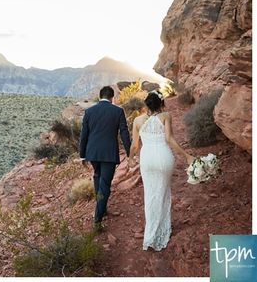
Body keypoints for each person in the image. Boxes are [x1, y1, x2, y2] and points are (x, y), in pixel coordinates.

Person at [128, 90, 195, 251]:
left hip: (147, 160)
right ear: (161, 103)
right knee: (163, 193)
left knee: (150, 194)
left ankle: (151, 233)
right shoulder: (166, 117)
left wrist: (130, 159)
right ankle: (161, 230)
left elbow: (135, 145)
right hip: (164, 158)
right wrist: (187, 156)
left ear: (146, 105)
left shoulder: (137, 120)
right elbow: (169, 139)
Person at [79, 86, 131, 232]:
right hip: (108, 154)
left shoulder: (89, 111)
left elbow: (84, 135)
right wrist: (129, 152)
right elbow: (124, 133)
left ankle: (102, 208)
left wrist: (82, 155)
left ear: (99, 95)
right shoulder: (118, 111)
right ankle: (97, 218)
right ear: (112, 97)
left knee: (97, 177)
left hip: (93, 153)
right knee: (105, 184)